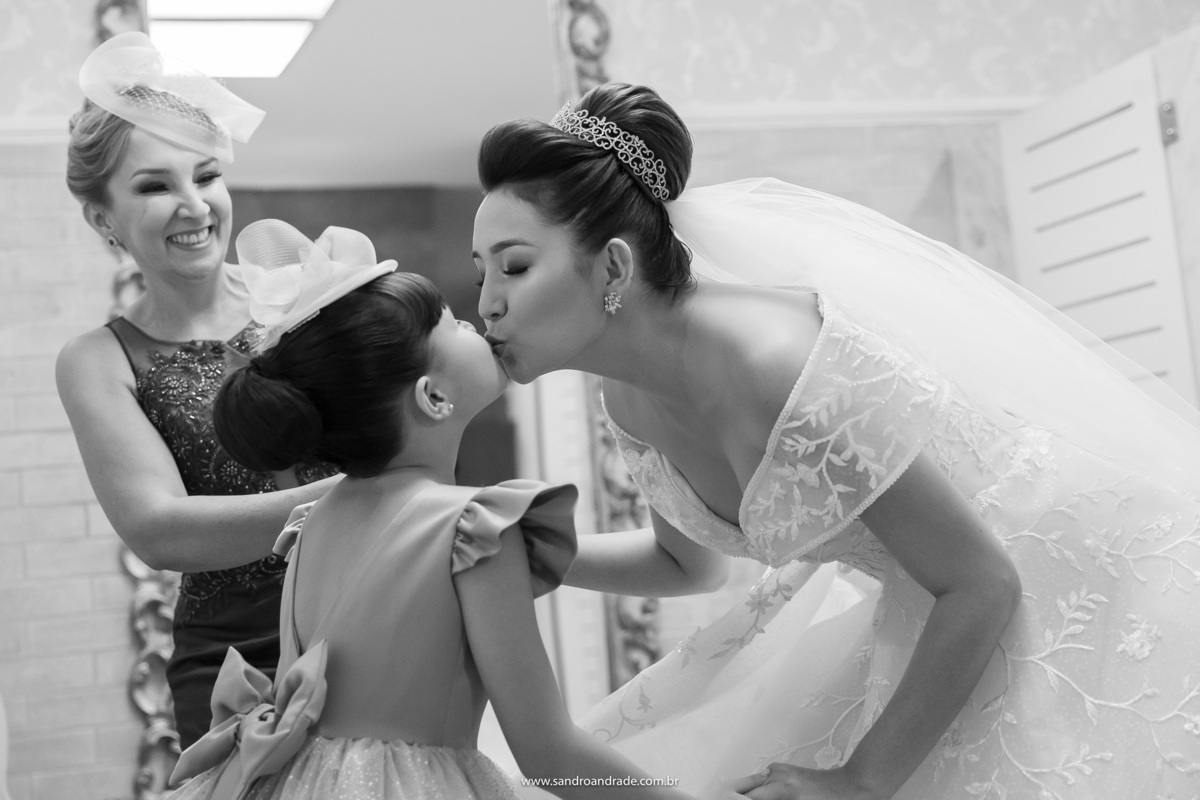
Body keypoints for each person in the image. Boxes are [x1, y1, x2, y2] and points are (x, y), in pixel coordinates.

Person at [470, 82, 1200, 799]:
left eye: (515, 265)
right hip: (943, 604)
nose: (486, 304)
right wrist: (541, 552)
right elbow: (682, 564)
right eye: (481, 274)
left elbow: (984, 581)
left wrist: (861, 779)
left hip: (1069, 573)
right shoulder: (626, 397)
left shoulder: (779, 367)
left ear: (615, 267)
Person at [165, 218, 706, 800]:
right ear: (435, 396)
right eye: (454, 324)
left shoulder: (308, 527)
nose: (478, 323)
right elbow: (549, 755)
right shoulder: (472, 530)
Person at [56, 32, 340, 748]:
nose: (195, 205)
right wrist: (351, 498)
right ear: (103, 218)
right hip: (234, 662)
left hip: (371, 605)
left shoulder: (309, 291)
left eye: (206, 175)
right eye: (155, 186)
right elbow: (158, 528)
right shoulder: (98, 361)